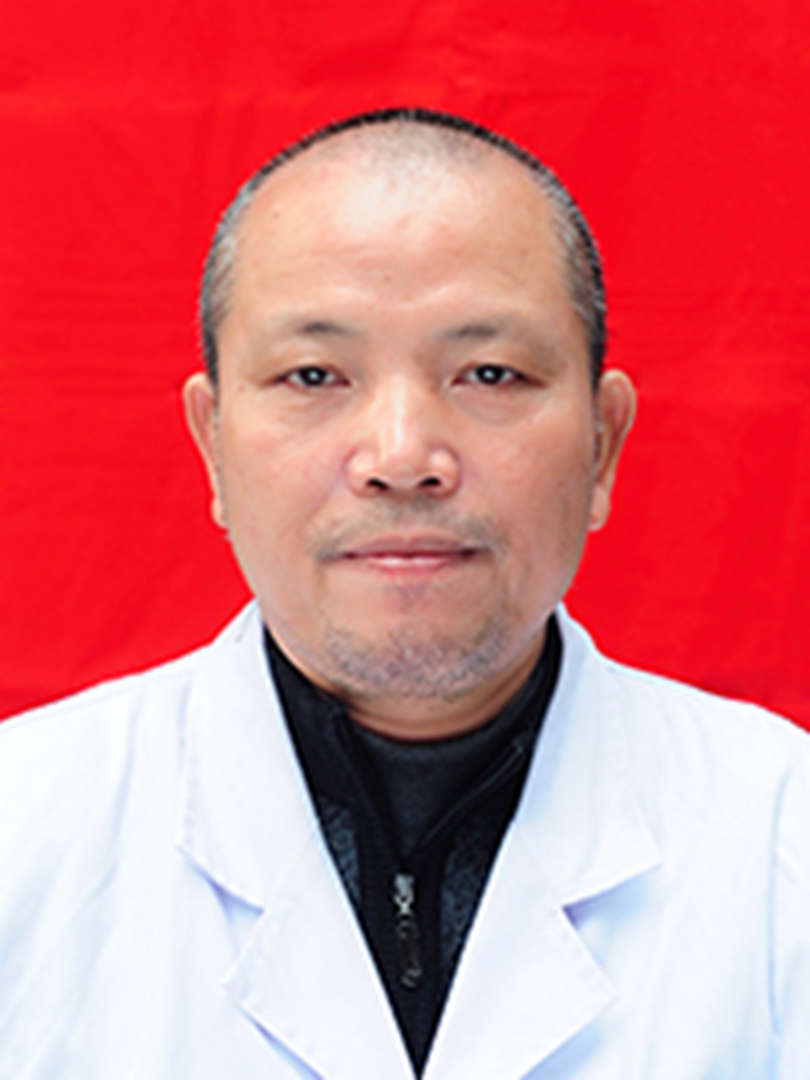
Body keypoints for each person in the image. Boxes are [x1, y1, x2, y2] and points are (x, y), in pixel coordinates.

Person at [0, 108, 808, 1080]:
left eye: (489, 373)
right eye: (314, 375)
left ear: (602, 445)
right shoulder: (24, 831)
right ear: (213, 444)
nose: (401, 456)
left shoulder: (783, 843)